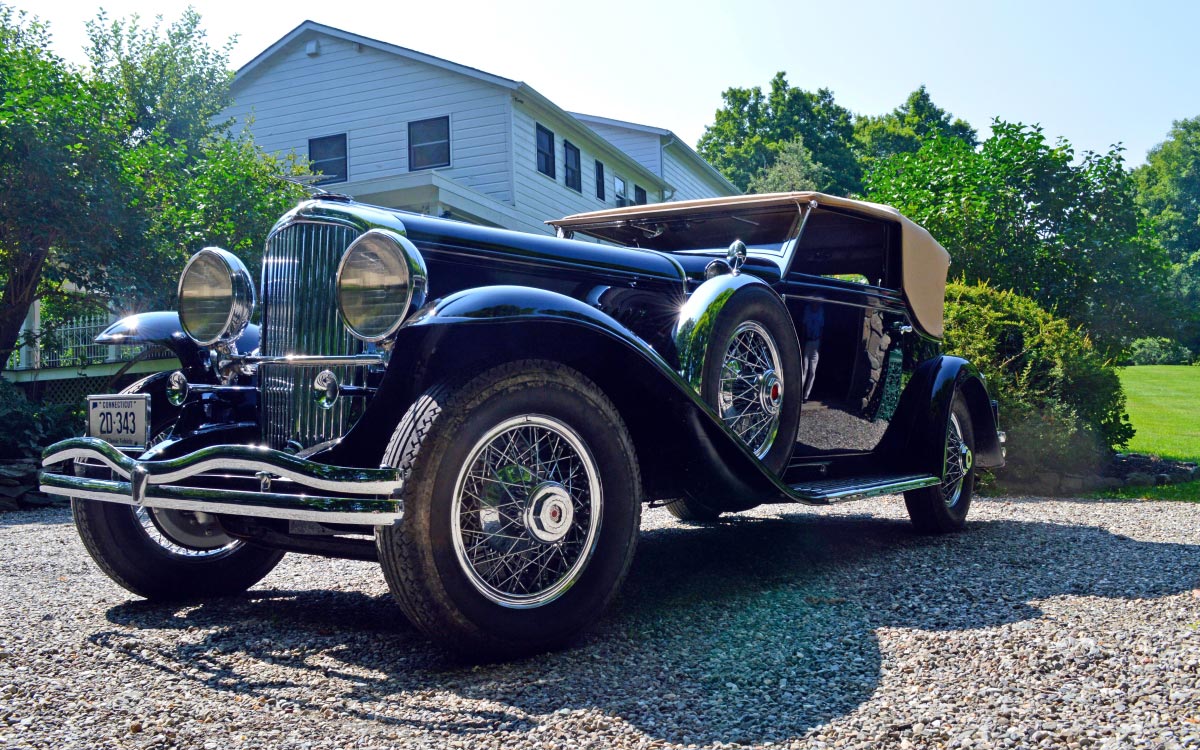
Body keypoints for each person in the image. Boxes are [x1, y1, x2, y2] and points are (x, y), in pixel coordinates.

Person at [800, 299, 823, 401]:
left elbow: (822, 327)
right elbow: (804, 326)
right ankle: (799, 393)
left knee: (812, 371)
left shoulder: (821, 311)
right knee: (804, 369)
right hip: (808, 341)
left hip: (816, 342)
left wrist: (820, 345)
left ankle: (806, 396)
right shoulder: (807, 309)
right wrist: (802, 341)